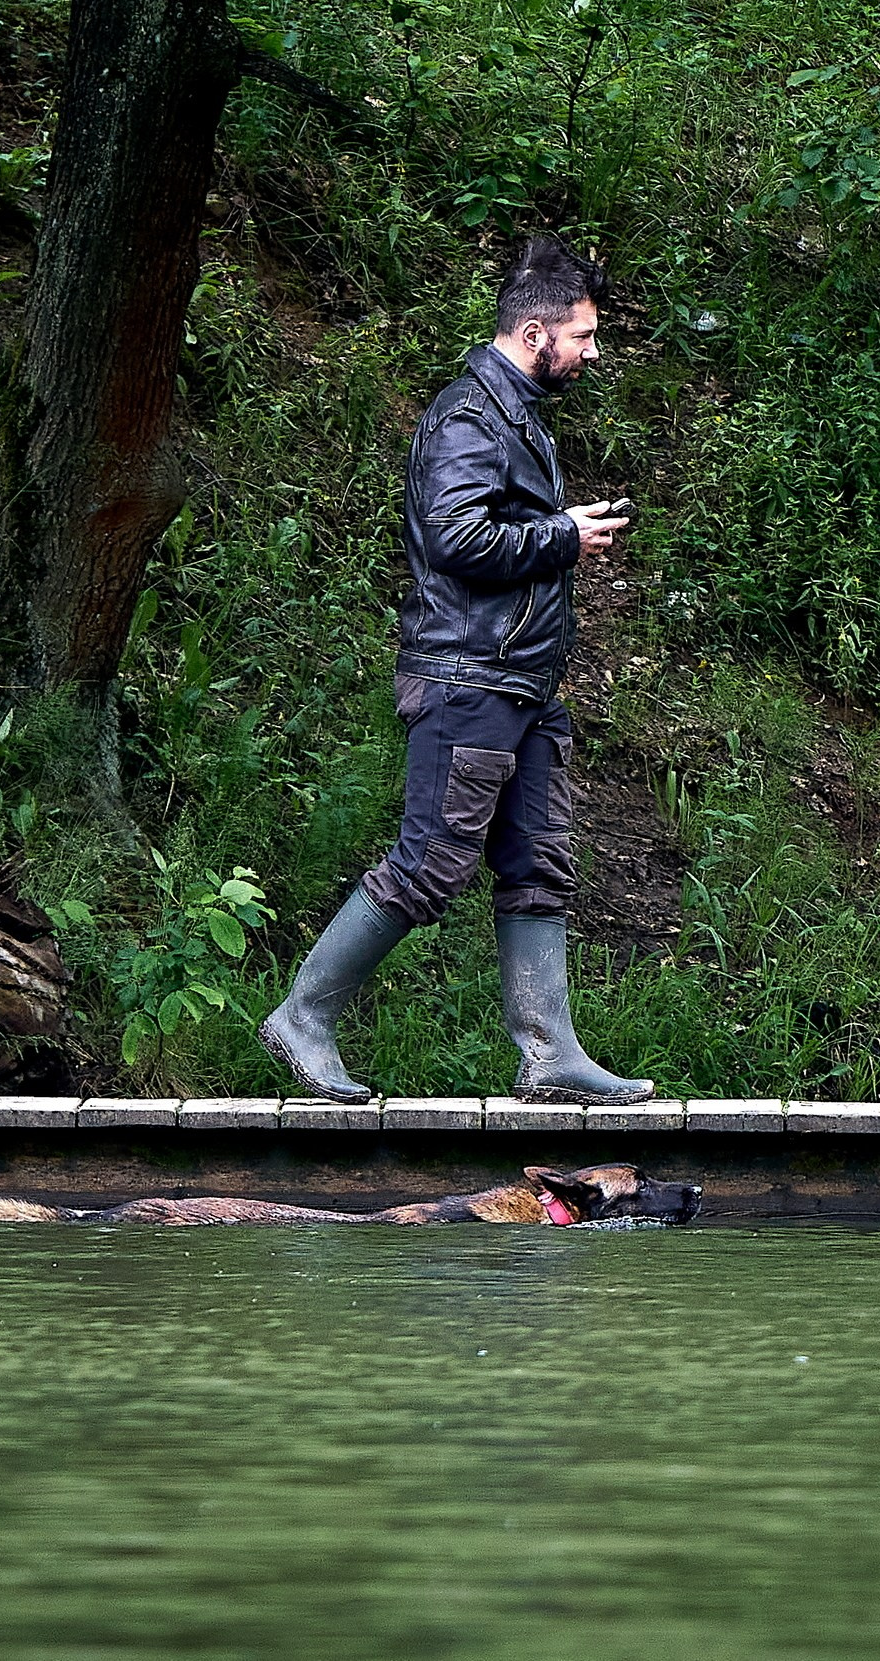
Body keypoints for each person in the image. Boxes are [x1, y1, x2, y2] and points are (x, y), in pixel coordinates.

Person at [259, 235, 652, 1107]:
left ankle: (549, 1055)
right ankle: (303, 1016)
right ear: (536, 333)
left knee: (539, 862)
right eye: (585, 336)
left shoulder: (516, 415)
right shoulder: (471, 416)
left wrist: (561, 530)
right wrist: (562, 534)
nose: (593, 353)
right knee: (431, 863)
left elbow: (491, 529)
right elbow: (455, 538)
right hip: (466, 679)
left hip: (523, 685)